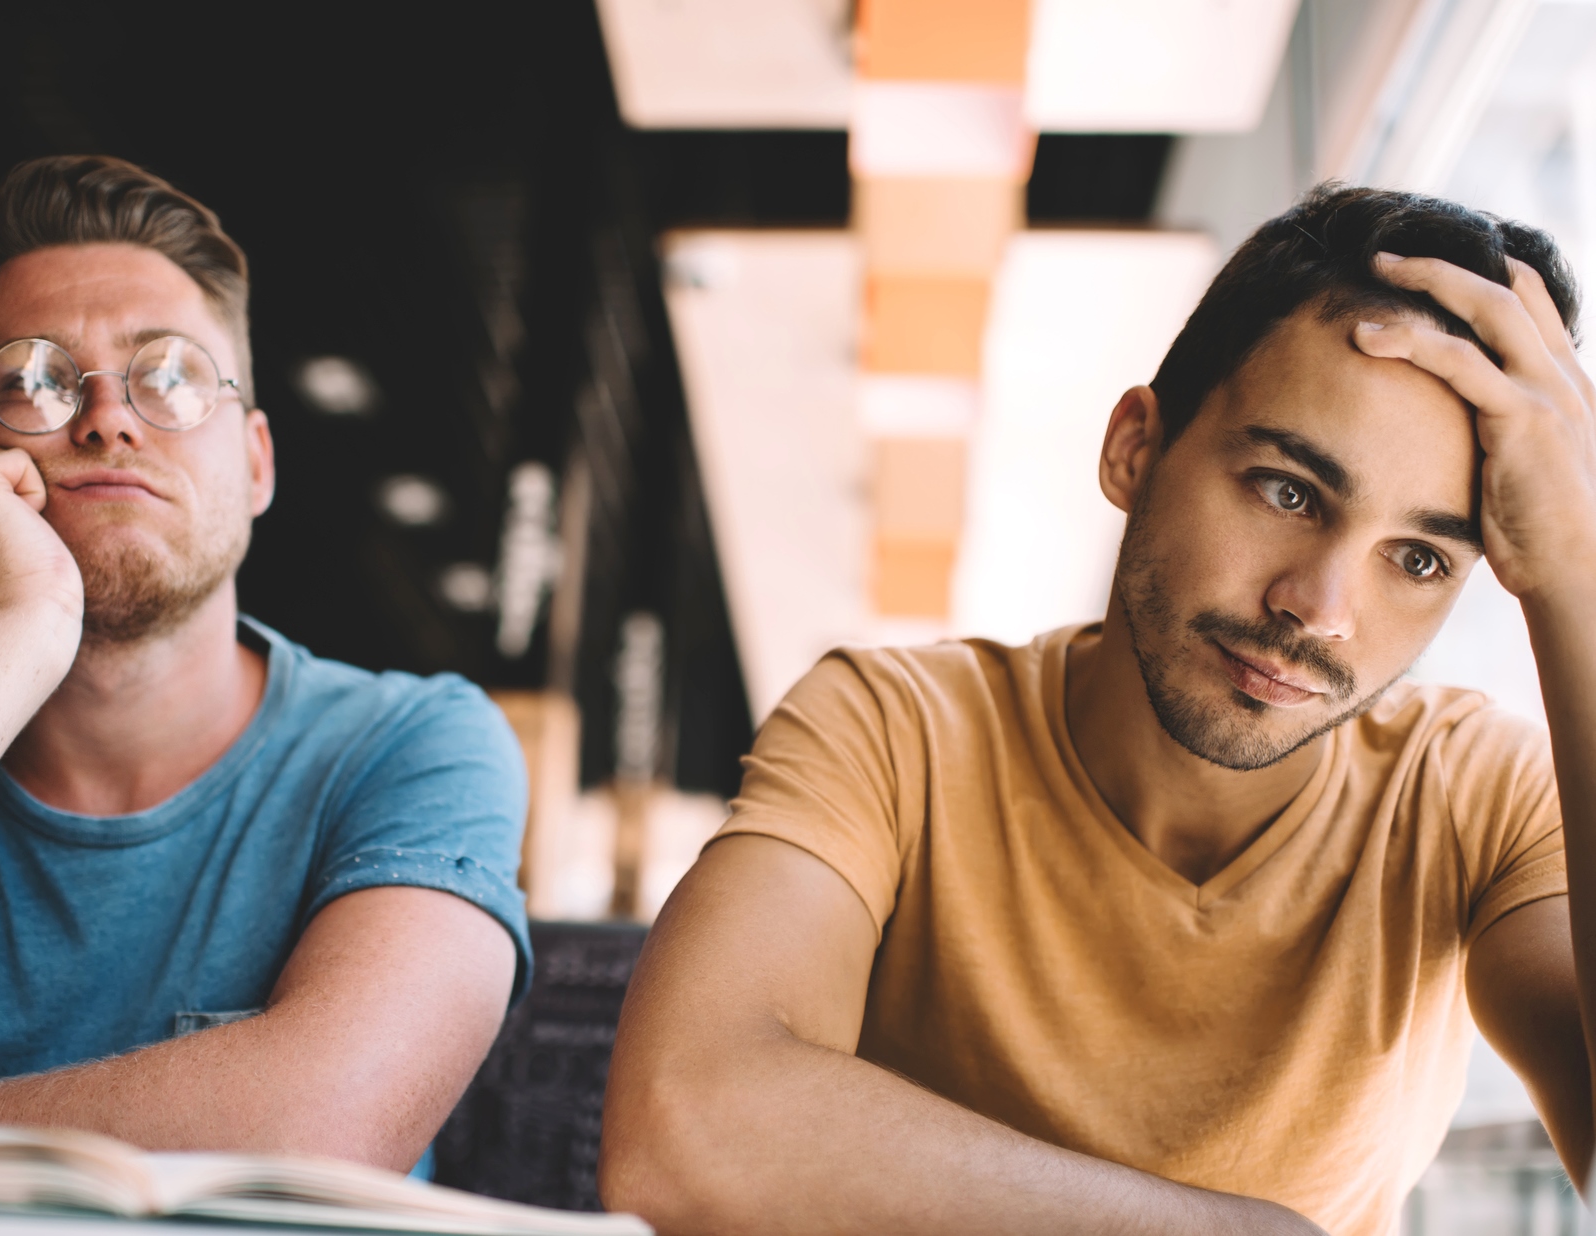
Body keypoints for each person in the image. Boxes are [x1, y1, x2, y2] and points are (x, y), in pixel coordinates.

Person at [600, 184, 1596, 1236]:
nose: (1323, 609)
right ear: (1135, 449)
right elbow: (684, 1123)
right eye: (1287, 491)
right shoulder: (895, 729)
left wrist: (1575, 576)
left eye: (1420, 558)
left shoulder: (1480, 800)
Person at [0, 155, 531, 1175]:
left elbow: (322, 1123)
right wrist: (24, 630)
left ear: (255, 463)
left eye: (170, 376)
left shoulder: (413, 741)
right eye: (32, 379)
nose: (109, 418)